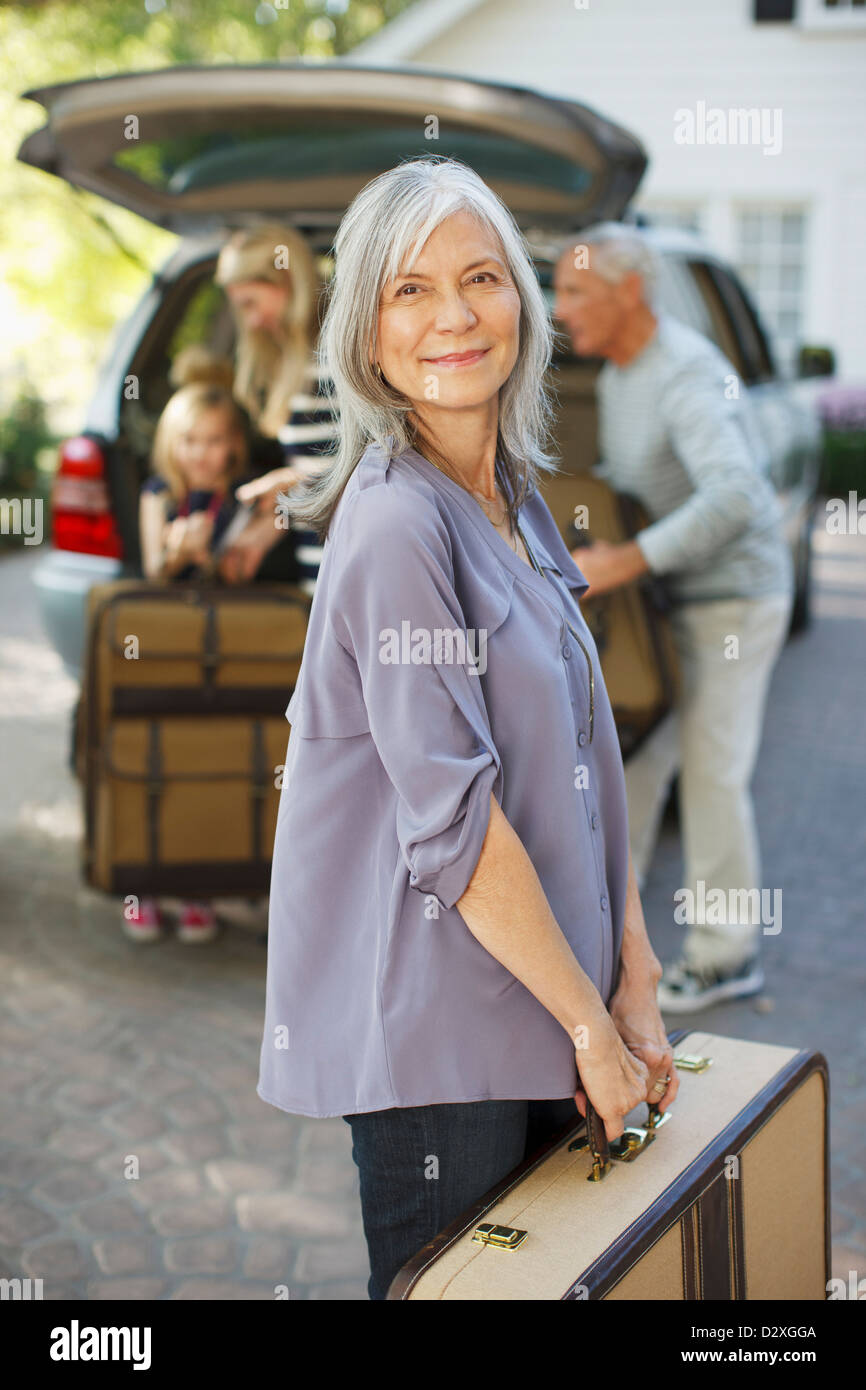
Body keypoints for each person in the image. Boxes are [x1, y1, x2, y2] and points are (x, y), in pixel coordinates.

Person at [256, 157, 678, 1302]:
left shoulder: (515, 498)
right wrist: (593, 1028)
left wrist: (631, 977)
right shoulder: (396, 525)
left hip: (545, 998)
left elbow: (588, 760)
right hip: (439, 1043)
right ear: (367, 334)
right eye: (408, 290)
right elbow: (453, 826)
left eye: (480, 276)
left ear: (522, 306)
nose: (452, 314)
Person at [552, 223, 795, 1013]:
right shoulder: (623, 373)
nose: (560, 310)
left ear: (631, 291)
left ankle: (727, 956)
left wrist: (624, 561)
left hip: (734, 599)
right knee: (641, 770)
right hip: (674, 601)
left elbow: (736, 494)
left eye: (575, 291)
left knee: (712, 770)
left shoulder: (685, 372)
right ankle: (610, 944)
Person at [133, 376, 251, 944]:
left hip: (222, 648)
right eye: (190, 440)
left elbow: (237, 573)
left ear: (233, 445)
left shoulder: (245, 500)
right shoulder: (158, 493)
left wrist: (211, 557)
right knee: (160, 758)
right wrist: (179, 553)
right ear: (171, 444)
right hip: (164, 647)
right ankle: (146, 885)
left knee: (210, 757)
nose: (202, 454)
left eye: (214, 440)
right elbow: (154, 569)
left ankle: (199, 889)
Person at [213, 224, 336, 593]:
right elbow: (320, 485)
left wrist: (290, 482)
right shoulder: (293, 365)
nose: (250, 321)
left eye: (251, 303)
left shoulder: (337, 359)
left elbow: (384, 469)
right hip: (320, 579)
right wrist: (265, 534)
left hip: (361, 578)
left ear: (287, 280)